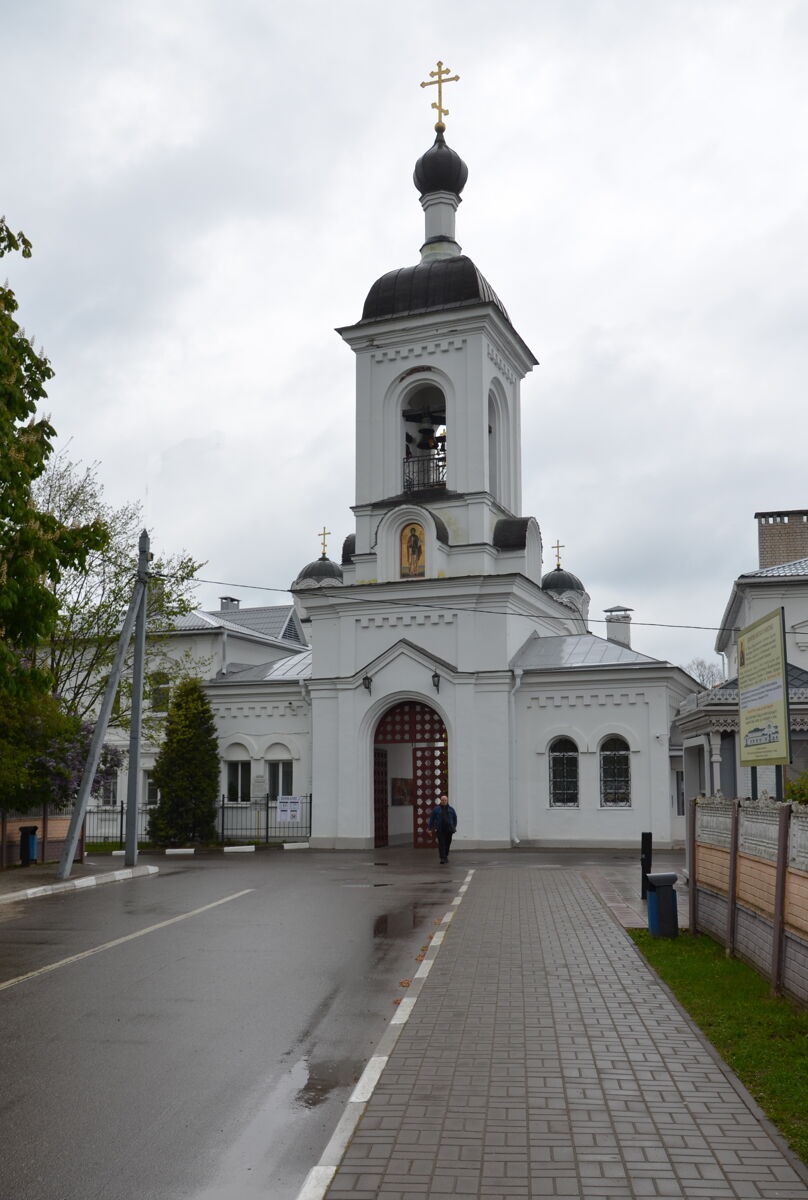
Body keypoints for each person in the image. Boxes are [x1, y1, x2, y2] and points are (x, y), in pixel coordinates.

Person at [428, 794, 457, 864]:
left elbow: (455, 818)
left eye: (445, 800)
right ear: (440, 801)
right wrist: (429, 829)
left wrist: (454, 826)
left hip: (449, 830)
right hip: (440, 829)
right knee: (441, 843)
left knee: (447, 843)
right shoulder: (436, 809)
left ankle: (446, 856)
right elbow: (432, 819)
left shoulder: (451, 809)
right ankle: (442, 858)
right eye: (442, 800)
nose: (444, 801)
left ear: (447, 801)